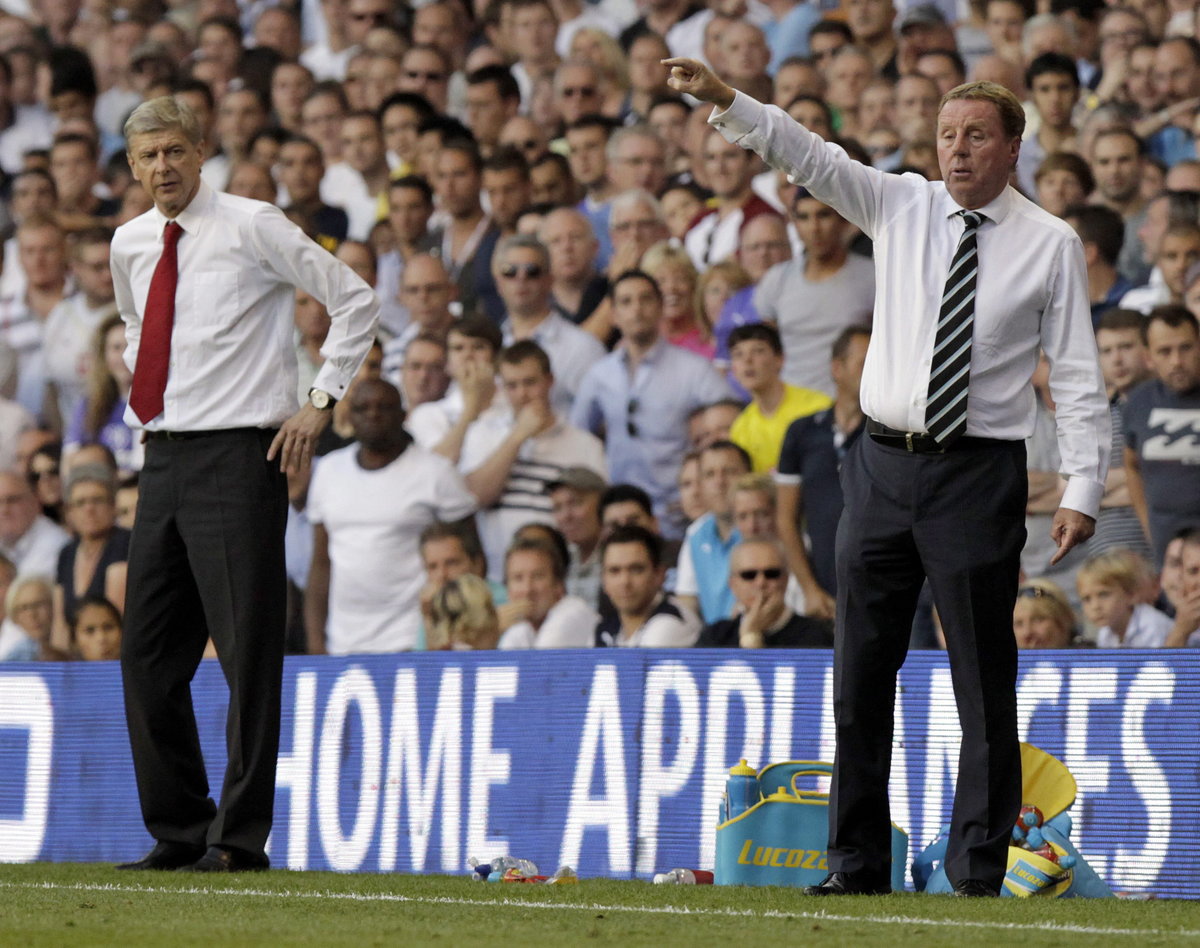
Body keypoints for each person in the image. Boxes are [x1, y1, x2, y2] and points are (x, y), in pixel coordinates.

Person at [664, 58, 1109, 897]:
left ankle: (978, 872)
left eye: (977, 135)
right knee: (859, 674)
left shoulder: (1050, 244)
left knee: (982, 676)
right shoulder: (899, 202)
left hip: (978, 475)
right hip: (878, 466)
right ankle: (857, 864)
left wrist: (1083, 488)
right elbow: (810, 157)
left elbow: (1079, 378)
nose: (958, 150)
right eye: (947, 135)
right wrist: (728, 101)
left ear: (1014, 146)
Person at [112, 97, 379, 874]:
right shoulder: (130, 242)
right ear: (132, 166)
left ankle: (238, 837)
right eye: (147, 155)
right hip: (161, 456)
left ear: (202, 152)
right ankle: (178, 827)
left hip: (240, 456)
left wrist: (320, 400)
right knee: (146, 656)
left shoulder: (251, 222)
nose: (162, 167)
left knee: (246, 655)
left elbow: (354, 297)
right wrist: (146, 387)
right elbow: (136, 325)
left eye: (174, 151)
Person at [305, 378, 478, 654]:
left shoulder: (437, 472)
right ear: (350, 416)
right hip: (343, 643)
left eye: (384, 407)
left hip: (414, 638)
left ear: (402, 415)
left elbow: (472, 559)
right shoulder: (328, 470)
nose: (373, 414)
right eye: (363, 408)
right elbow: (321, 564)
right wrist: (315, 644)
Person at [571, 270, 732, 537]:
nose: (637, 310)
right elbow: (577, 435)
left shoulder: (693, 369)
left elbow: (729, 423)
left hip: (679, 514)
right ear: (613, 314)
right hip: (621, 514)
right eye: (626, 301)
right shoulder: (600, 374)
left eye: (645, 299)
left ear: (660, 307)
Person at [776, 327, 870, 619]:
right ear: (837, 368)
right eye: (864, 364)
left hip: (879, 588)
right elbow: (786, 518)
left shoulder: (890, 436)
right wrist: (809, 589)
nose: (874, 373)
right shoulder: (802, 432)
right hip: (820, 592)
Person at [1123, 306, 1200, 566]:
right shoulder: (1139, 401)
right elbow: (1131, 465)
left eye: (1186, 348)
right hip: (1166, 553)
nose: (1176, 360)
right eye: (1165, 351)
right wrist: (1149, 526)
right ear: (1148, 357)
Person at [696, 538, 834, 648]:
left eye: (771, 574)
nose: (761, 582)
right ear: (733, 585)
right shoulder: (714, 638)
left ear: (785, 580)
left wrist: (751, 637)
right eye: (749, 575)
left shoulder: (816, 636)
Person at [594, 525, 699, 647]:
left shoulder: (669, 624)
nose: (625, 582)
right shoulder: (605, 628)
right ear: (603, 580)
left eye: (636, 570)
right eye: (614, 571)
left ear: (659, 575)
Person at [497, 535, 598, 648]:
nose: (527, 589)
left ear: (558, 584)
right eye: (518, 578)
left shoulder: (572, 613)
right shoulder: (522, 628)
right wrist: (491, 632)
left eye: (537, 576)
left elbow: (541, 663)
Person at [1076, 550, 1172, 648]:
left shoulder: (1152, 626)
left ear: (1131, 595)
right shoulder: (1105, 632)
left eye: (1103, 594)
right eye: (1087, 599)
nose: (1095, 606)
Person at [1011, 578, 1079, 649]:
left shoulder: (1088, 656)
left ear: (1064, 620)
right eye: (1018, 623)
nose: (1027, 632)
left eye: (1037, 620)